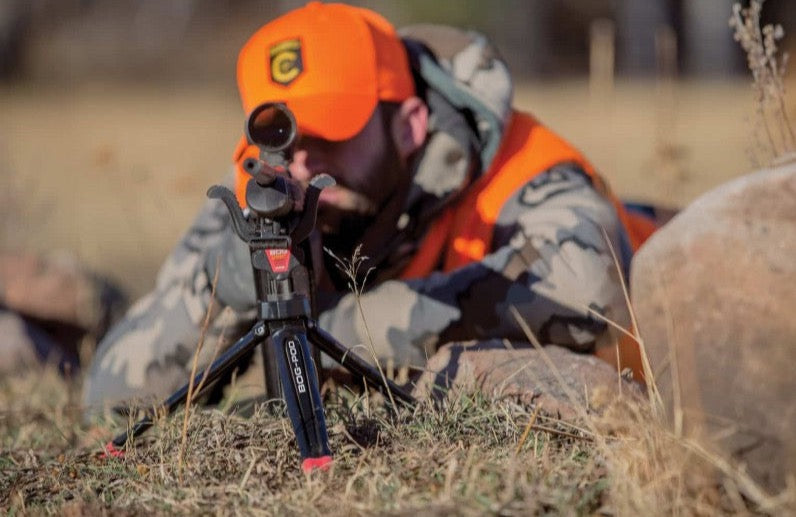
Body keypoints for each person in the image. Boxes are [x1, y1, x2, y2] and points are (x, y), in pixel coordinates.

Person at [83, 2, 655, 413]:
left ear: (409, 126)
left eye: (331, 134)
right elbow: (110, 394)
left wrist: (328, 333)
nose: (300, 166)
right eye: (283, 136)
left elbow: (593, 290)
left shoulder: (523, 162)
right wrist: (226, 290)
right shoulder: (265, 186)